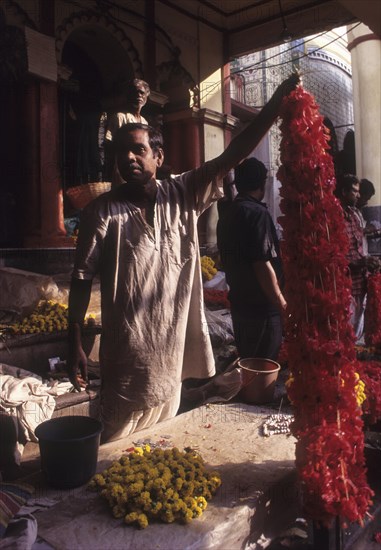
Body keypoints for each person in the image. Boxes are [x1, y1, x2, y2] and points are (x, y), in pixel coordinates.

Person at [67, 73, 300, 443]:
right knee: (113, 449)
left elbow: (233, 153)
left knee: (159, 444)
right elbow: (80, 280)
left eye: (138, 150)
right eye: (121, 153)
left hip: (170, 361)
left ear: (158, 157)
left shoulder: (183, 192)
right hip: (127, 362)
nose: (128, 158)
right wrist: (74, 339)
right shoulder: (101, 212)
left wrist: (275, 105)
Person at [217, 158, 286, 361]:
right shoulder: (257, 213)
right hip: (261, 308)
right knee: (263, 366)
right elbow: (261, 264)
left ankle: (251, 393)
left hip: (240, 304)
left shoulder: (227, 214)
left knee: (249, 363)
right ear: (262, 183)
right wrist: (282, 303)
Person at [335, 174, 380, 339]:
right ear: (344, 191)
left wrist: (369, 262)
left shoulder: (354, 214)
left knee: (356, 333)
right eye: (355, 191)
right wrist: (361, 262)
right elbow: (334, 256)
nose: (358, 196)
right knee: (345, 335)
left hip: (361, 283)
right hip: (345, 286)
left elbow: (359, 246)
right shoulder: (334, 218)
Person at [104, 78, 150, 180]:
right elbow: (109, 144)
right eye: (135, 92)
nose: (138, 95)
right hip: (122, 168)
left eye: (141, 92)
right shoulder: (119, 117)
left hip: (140, 168)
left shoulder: (144, 122)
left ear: (146, 96)